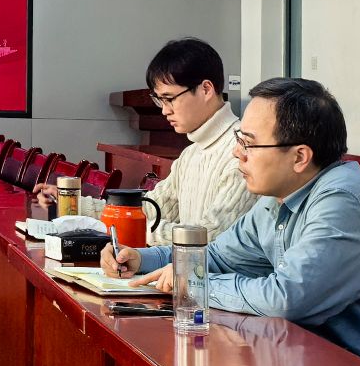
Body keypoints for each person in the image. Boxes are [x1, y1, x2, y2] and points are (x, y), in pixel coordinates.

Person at [108, 77, 360, 366]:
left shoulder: (342, 200)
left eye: (248, 143)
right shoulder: (278, 198)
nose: (237, 153)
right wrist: (137, 258)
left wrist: (192, 282)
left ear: (299, 157)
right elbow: (217, 257)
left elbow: (286, 299)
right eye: (239, 140)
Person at [39, 36, 253, 243]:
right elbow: (150, 208)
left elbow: (209, 238)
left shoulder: (243, 152)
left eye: (169, 99)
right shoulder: (191, 153)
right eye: (160, 101)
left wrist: (127, 225)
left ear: (206, 89)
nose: (165, 111)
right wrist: (73, 204)